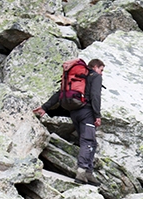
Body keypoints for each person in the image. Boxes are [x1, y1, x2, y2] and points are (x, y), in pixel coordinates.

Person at [33, 58, 105, 186]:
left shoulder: (77, 77)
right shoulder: (95, 77)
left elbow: (60, 93)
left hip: (74, 112)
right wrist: (97, 115)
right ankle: (81, 172)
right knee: (87, 141)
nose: (102, 73)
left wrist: (45, 107)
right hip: (87, 113)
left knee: (91, 142)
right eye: (101, 70)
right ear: (95, 67)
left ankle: (88, 172)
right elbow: (95, 96)